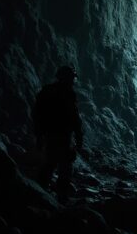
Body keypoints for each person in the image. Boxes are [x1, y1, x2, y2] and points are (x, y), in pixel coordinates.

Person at [33, 65, 84, 204]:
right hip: (62, 135)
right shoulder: (67, 93)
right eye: (72, 78)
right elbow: (74, 118)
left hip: (52, 135)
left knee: (50, 164)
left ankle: (40, 194)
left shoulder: (47, 91)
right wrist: (79, 137)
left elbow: (37, 115)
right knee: (64, 167)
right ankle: (60, 198)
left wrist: (39, 135)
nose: (73, 81)